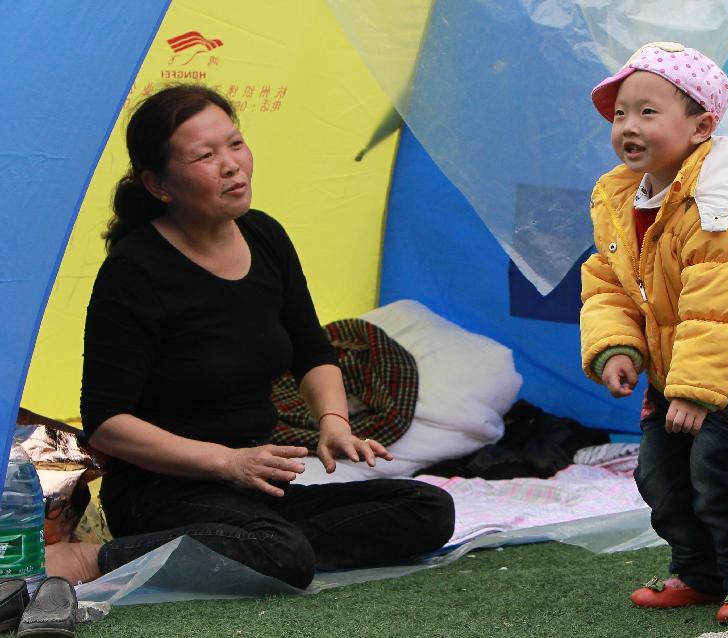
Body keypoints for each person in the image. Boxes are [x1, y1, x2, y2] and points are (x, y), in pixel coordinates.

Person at [45, 84, 455, 588]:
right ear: (158, 185)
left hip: (253, 485)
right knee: (281, 549)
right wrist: (226, 462)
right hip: (162, 490)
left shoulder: (265, 236)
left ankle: (253, 546)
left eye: (235, 144)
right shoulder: (134, 271)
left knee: (427, 507)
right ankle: (94, 560)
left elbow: (313, 353)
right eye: (204, 155)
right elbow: (106, 422)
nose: (231, 165)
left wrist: (333, 423)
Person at [580, 42, 728, 623]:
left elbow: (722, 307)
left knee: (717, 464)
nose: (628, 127)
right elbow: (608, 280)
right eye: (620, 114)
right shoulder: (621, 196)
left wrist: (692, 388)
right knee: (658, 472)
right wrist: (617, 344)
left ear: (701, 126)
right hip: (684, 356)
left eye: (647, 112)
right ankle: (699, 571)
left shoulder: (721, 201)